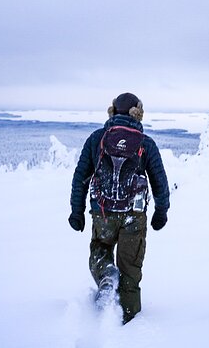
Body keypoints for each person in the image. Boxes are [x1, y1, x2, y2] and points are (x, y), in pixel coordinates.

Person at [68, 92, 170, 324]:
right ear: (138, 113)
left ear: (113, 111)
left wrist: (77, 211)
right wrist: (161, 212)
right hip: (133, 217)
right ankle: (130, 324)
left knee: (100, 249)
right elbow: (159, 181)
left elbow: (80, 177)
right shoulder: (146, 143)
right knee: (130, 272)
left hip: (102, 214)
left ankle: (106, 275)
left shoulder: (97, 138)